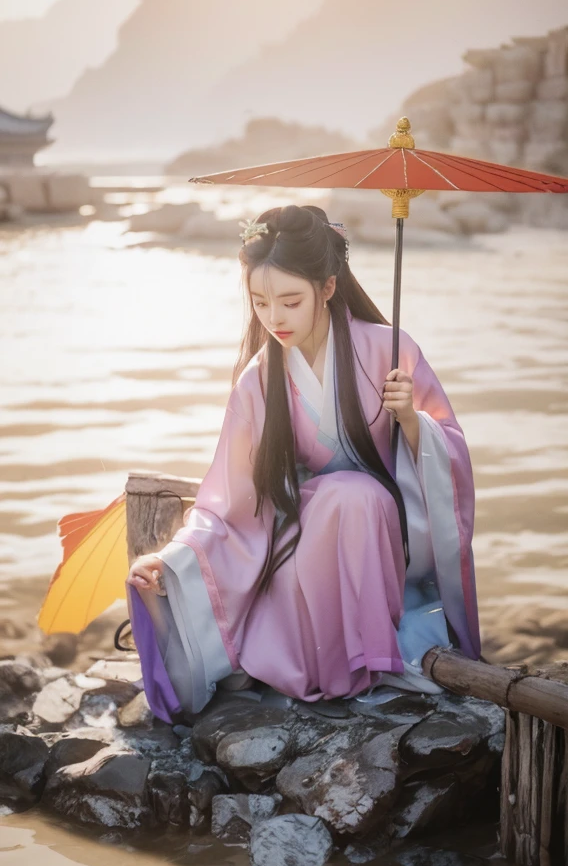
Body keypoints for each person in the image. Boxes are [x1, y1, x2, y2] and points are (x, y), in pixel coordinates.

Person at [125, 204, 480, 722]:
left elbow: (450, 452)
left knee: (355, 496)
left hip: (384, 538)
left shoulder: (390, 349)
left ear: (329, 288)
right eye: (261, 302)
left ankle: (368, 657)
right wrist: (176, 557)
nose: (275, 318)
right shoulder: (257, 379)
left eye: (290, 301)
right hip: (301, 538)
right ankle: (336, 662)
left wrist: (411, 423)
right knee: (340, 499)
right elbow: (228, 498)